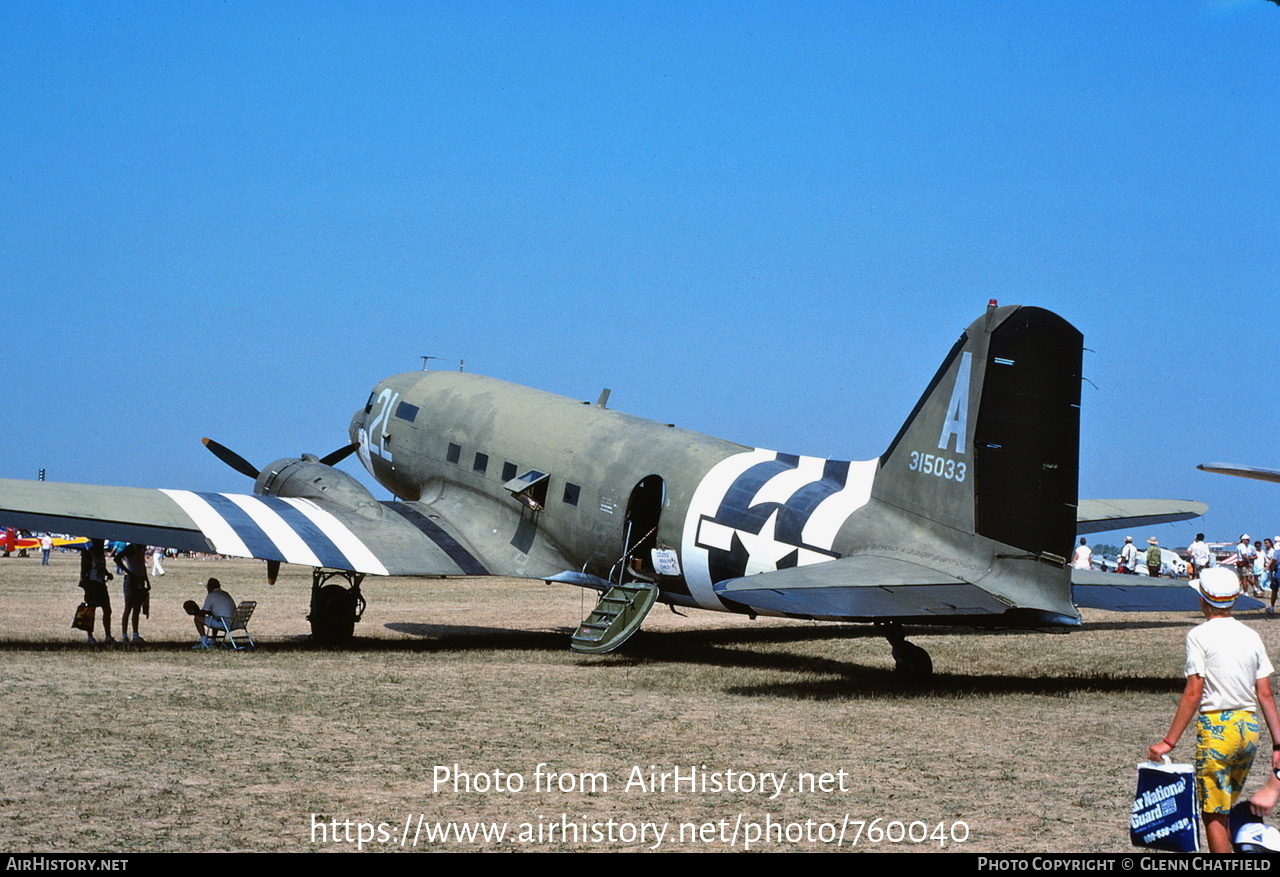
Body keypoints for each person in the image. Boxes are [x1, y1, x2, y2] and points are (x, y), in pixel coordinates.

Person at [1146, 567, 1280, 853]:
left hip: (1218, 730)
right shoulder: (1251, 635)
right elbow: (1265, 694)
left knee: (1213, 813)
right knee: (1226, 803)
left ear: (1202, 600)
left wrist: (1169, 741)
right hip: (1249, 729)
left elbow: (1194, 691)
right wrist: (1279, 744)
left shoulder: (1198, 635)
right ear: (1234, 600)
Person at [76, 538, 114, 644]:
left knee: (107, 610)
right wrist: (86, 587)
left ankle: (108, 636)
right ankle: (90, 637)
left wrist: (107, 573)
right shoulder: (88, 553)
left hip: (101, 583)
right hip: (91, 584)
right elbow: (83, 571)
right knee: (90, 611)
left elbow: (101, 566)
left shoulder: (100, 553)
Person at [188, 577, 236, 649]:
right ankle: (213, 640)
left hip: (225, 623)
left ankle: (204, 642)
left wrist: (194, 612)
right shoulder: (225, 593)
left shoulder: (211, 596)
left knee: (197, 619)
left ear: (210, 587)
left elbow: (203, 612)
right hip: (235, 622)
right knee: (214, 617)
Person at [116, 542, 149, 643]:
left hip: (140, 580)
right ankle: (124, 635)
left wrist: (146, 580)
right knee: (128, 607)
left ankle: (135, 635)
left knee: (137, 609)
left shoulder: (142, 548)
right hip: (131, 581)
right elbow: (117, 559)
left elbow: (142, 565)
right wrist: (128, 572)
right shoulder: (131, 548)